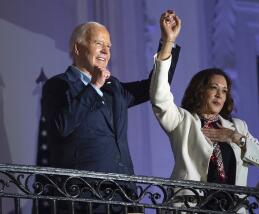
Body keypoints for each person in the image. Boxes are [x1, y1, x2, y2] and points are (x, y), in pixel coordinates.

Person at [40, 11, 181, 213]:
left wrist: (168, 42)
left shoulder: (114, 88)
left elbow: (155, 87)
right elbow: (60, 127)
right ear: (78, 48)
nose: (106, 51)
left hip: (124, 196)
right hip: (84, 198)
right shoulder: (59, 85)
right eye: (99, 44)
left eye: (109, 46)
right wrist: (94, 87)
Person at [150, 24, 259, 213]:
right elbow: (159, 95)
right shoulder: (183, 121)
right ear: (200, 90)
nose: (220, 95)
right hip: (192, 208)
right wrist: (168, 41)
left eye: (224, 91)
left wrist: (237, 139)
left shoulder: (237, 127)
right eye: (214, 88)